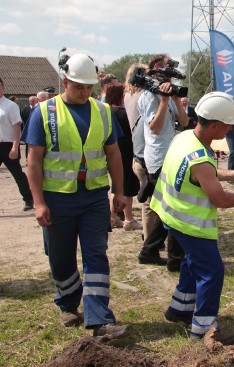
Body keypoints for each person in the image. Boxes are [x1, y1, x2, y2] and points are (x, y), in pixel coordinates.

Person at [22, 53, 131, 339]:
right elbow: (33, 161)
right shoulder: (44, 113)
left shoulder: (103, 112)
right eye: (79, 86)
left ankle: (99, 319)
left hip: (94, 197)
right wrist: (38, 202)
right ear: (65, 81)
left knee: (96, 254)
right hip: (57, 199)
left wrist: (118, 191)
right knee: (60, 257)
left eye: (89, 87)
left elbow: (113, 155)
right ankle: (69, 302)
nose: (84, 92)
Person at [151, 91, 234, 340]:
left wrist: (230, 175)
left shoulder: (186, 138)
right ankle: (203, 329)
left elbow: (201, 173)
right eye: (227, 124)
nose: (230, 128)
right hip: (191, 223)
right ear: (213, 125)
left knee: (192, 262)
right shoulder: (200, 159)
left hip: (171, 214)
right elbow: (219, 198)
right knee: (212, 271)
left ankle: (180, 308)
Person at [136, 54, 188, 271]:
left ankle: (149, 251)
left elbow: (184, 123)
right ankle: (173, 259)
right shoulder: (147, 96)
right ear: (156, 70)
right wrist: (164, 100)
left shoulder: (169, 95)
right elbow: (155, 128)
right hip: (157, 159)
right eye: (166, 68)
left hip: (171, 156)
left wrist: (175, 99)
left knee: (168, 208)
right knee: (172, 208)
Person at [104, 84, 142, 231]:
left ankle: (112, 217)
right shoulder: (122, 113)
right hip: (125, 150)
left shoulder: (105, 111)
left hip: (110, 150)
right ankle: (128, 219)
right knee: (127, 186)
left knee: (115, 185)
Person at [0, 77, 33, 210]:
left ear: (3, 87)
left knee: (17, 174)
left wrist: (15, 146)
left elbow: (16, 128)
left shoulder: (10, 105)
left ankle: (28, 199)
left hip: (8, 145)